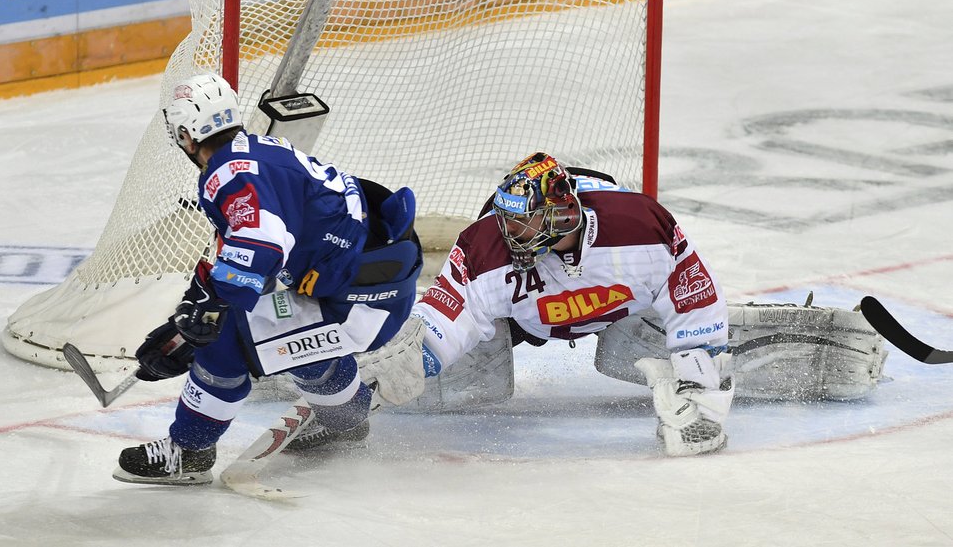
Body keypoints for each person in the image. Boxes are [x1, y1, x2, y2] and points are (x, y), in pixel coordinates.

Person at [113, 73, 424, 485]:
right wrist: (193, 309)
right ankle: (348, 424)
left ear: (187, 133)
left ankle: (188, 453)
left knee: (225, 346)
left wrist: (207, 315)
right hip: (376, 281)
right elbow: (248, 247)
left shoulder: (227, 172)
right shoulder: (259, 147)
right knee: (289, 343)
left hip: (360, 300)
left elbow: (262, 244)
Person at [410, 151, 735, 456]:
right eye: (506, 219)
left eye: (521, 220)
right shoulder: (484, 248)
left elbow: (692, 294)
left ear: (559, 216)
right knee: (472, 372)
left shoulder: (640, 227)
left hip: (624, 309)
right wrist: (404, 361)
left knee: (690, 350)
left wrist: (701, 389)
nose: (508, 232)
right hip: (522, 317)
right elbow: (444, 319)